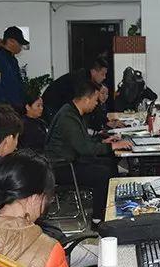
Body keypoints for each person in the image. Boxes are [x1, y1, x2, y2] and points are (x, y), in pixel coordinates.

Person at [46, 80, 131, 221]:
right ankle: (98, 219)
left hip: (70, 160)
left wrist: (102, 141)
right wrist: (112, 146)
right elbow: (84, 148)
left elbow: (82, 141)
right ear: (86, 99)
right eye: (95, 100)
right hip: (61, 167)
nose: (96, 103)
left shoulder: (72, 112)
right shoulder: (68, 117)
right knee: (103, 173)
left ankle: (111, 208)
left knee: (109, 163)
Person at [43, 57, 109, 122]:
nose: (104, 77)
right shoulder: (80, 80)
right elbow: (79, 105)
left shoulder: (86, 79)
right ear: (93, 71)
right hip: (52, 108)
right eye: (102, 74)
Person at [0, 25, 29, 109]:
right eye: (19, 43)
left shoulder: (12, 60)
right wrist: (4, 109)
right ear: (10, 41)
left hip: (14, 107)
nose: (21, 47)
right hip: (4, 109)